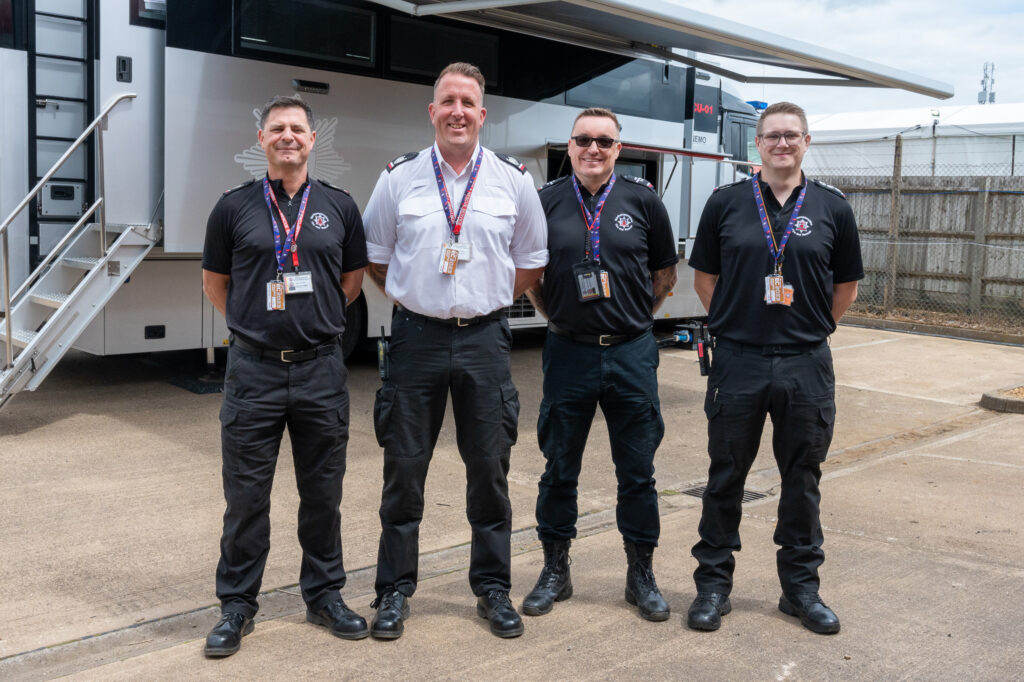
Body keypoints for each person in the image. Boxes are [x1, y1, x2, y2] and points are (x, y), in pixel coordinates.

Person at [362, 62, 547, 640]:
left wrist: (485, 303)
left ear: (482, 114)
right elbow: (375, 254)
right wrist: (418, 299)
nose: (458, 112)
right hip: (415, 338)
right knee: (403, 468)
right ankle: (393, 591)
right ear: (433, 111)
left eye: (468, 102)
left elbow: (531, 262)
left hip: (486, 341)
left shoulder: (514, 180)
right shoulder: (399, 177)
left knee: (490, 468)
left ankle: (492, 588)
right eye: (448, 101)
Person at [200, 95, 369, 656]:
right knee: (246, 496)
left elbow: (351, 281)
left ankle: (324, 596)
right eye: (278, 129)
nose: (288, 136)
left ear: (313, 140)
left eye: (298, 128)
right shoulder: (232, 208)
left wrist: (313, 324)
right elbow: (216, 285)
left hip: (320, 368)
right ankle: (237, 606)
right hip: (253, 372)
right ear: (262, 139)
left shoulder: (340, 207)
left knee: (322, 493)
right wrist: (256, 327)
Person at [685, 101, 862, 635]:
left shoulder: (833, 207)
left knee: (802, 480)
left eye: (791, 135)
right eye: (771, 136)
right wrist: (740, 325)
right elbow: (705, 279)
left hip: (806, 364)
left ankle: (801, 590)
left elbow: (846, 287)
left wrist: (808, 330)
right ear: (756, 144)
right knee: (725, 478)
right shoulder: (726, 203)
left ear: (806, 142)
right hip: (737, 361)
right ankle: (713, 587)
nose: (781, 144)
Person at [522, 107, 678, 622]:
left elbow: (664, 277)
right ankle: (555, 571)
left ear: (619, 148)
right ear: (569, 146)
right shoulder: (544, 202)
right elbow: (534, 281)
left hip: (632, 353)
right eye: (583, 140)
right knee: (558, 467)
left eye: (604, 142)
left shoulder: (644, 200)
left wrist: (631, 322)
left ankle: (641, 575)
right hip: (568, 352)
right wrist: (562, 319)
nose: (593, 149)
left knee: (637, 471)